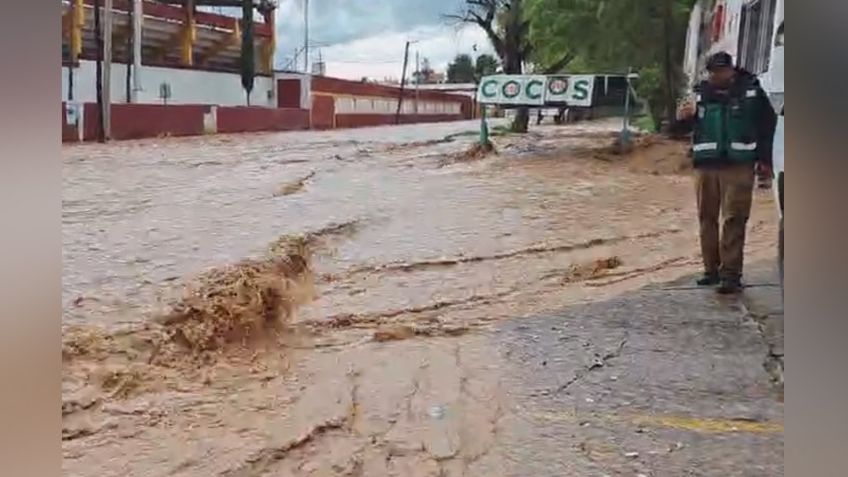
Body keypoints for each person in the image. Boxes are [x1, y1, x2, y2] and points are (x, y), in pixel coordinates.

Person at [677, 51, 777, 294]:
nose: (717, 76)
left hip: (739, 165)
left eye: (722, 71)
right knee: (706, 218)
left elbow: (768, 124)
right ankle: (710, 270)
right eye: (713, 72)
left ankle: (731, 275)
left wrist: (764, 159)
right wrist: (683, 118)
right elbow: (677, 129)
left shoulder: (751, 92)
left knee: (735, 218)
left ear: (732, 70)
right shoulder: (698, 94)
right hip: (706, 166)